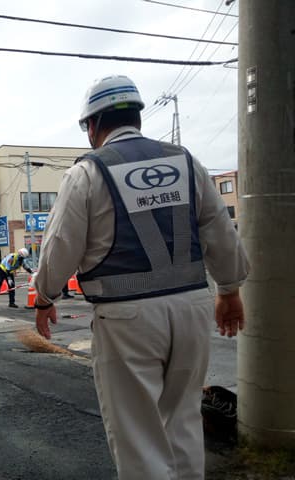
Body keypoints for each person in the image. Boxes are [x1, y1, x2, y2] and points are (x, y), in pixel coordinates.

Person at [33, 74, 249, 480]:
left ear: (92, 125)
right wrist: (229, 289)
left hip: (126, 318)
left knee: (138, 436)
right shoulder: (186, 162)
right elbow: (219, 228)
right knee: (183, 421)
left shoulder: (87, 172)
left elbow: (60, 245)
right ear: (137, 116)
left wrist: (45, 297)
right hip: (192, 307)